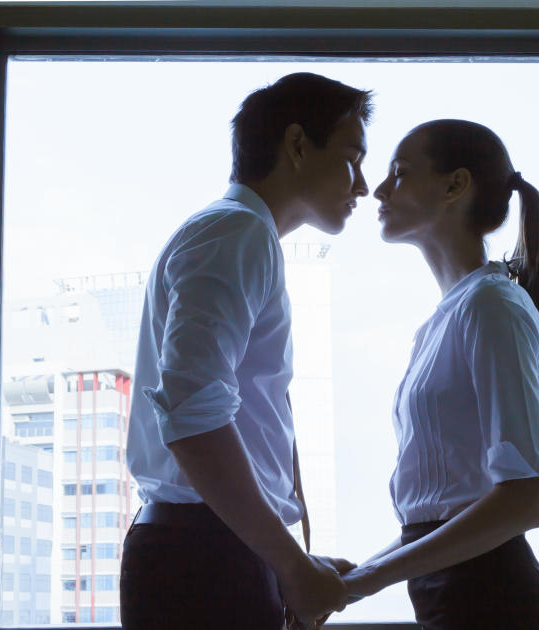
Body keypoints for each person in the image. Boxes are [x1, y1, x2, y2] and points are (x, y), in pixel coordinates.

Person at [121, 72, 372, 629]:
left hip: (214, 552)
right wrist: (291, 566)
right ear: (298, 145)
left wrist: (286, 563)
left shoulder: (241, 236)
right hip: (203, 559)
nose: (363, 186)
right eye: (354, 158)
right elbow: (193, 415)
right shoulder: (237, 233)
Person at [342, 119, 539, 629]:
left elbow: (528, 501)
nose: (378, 189)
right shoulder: (446, 318)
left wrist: (364, 582)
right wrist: (355, 579)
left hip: (492, 602)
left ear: (455, 185)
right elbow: (441, 511)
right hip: (451, 597)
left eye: (399, 173)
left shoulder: (491, 306)